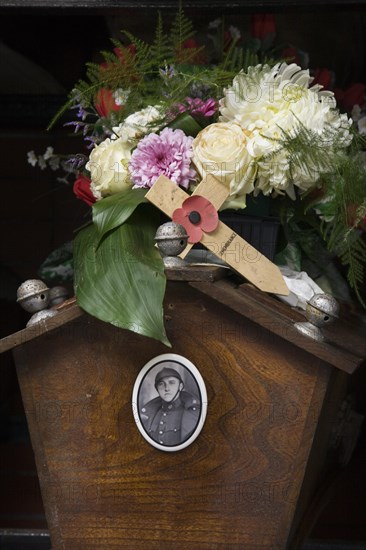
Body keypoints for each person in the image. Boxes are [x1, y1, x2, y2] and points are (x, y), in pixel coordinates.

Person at [140, 367, 200, 446]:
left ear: (180, 386)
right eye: (161, 384)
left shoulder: (193, 413)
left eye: (171, 382)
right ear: (157, 389)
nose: (166, 388)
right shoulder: (148, 415)